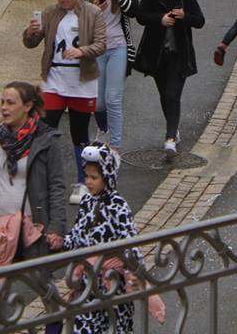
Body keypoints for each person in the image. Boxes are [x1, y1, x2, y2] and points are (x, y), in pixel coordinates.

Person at [0, 82, 66, 334]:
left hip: (31, 229)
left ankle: (54, 327)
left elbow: (57, 186)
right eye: (2, 102)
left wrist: (56, 227)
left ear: (27, 106)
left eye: (10, 102)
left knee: (43, 286)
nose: (4, 108)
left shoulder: (46, 140)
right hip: (0, 229)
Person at [23, 0, 106, 204]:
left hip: (82, 81)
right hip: (54, 79)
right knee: (44, 131)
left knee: (79, 134)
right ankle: (44, 180)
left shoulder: (93, 13)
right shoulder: (50, 13)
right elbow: (31, 43)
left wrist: (82, 51)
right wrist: (31, 32)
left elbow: (101, 44)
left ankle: (83, 182)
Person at [63, 142, 164, 333]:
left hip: (113, 283)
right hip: (88, 283)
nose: (88, 182)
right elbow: (78, 234)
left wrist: (137, 274)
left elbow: (131, 244)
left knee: (116, 327)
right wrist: (62, 242)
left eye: (94, 177)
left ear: (107, 176)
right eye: (86, 176)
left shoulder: (118, 206)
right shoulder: (86, 202)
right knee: (84, 327)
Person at [135, 0, 205, 159]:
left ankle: (170, 138)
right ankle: (173, 128)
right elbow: (141, 16)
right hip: (156, 53)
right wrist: (160, 19)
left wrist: (183, 16)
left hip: (179, 53)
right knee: (164, 94)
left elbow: (199, 20)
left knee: (173, 94)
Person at [85, 0, 138, 154]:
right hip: (98, 47)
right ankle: (103, 130)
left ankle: (115, 146)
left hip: (119, 47)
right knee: (98, 102)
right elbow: (83, 18)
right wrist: (94, 9)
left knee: (113, 98)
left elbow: (133, 12)